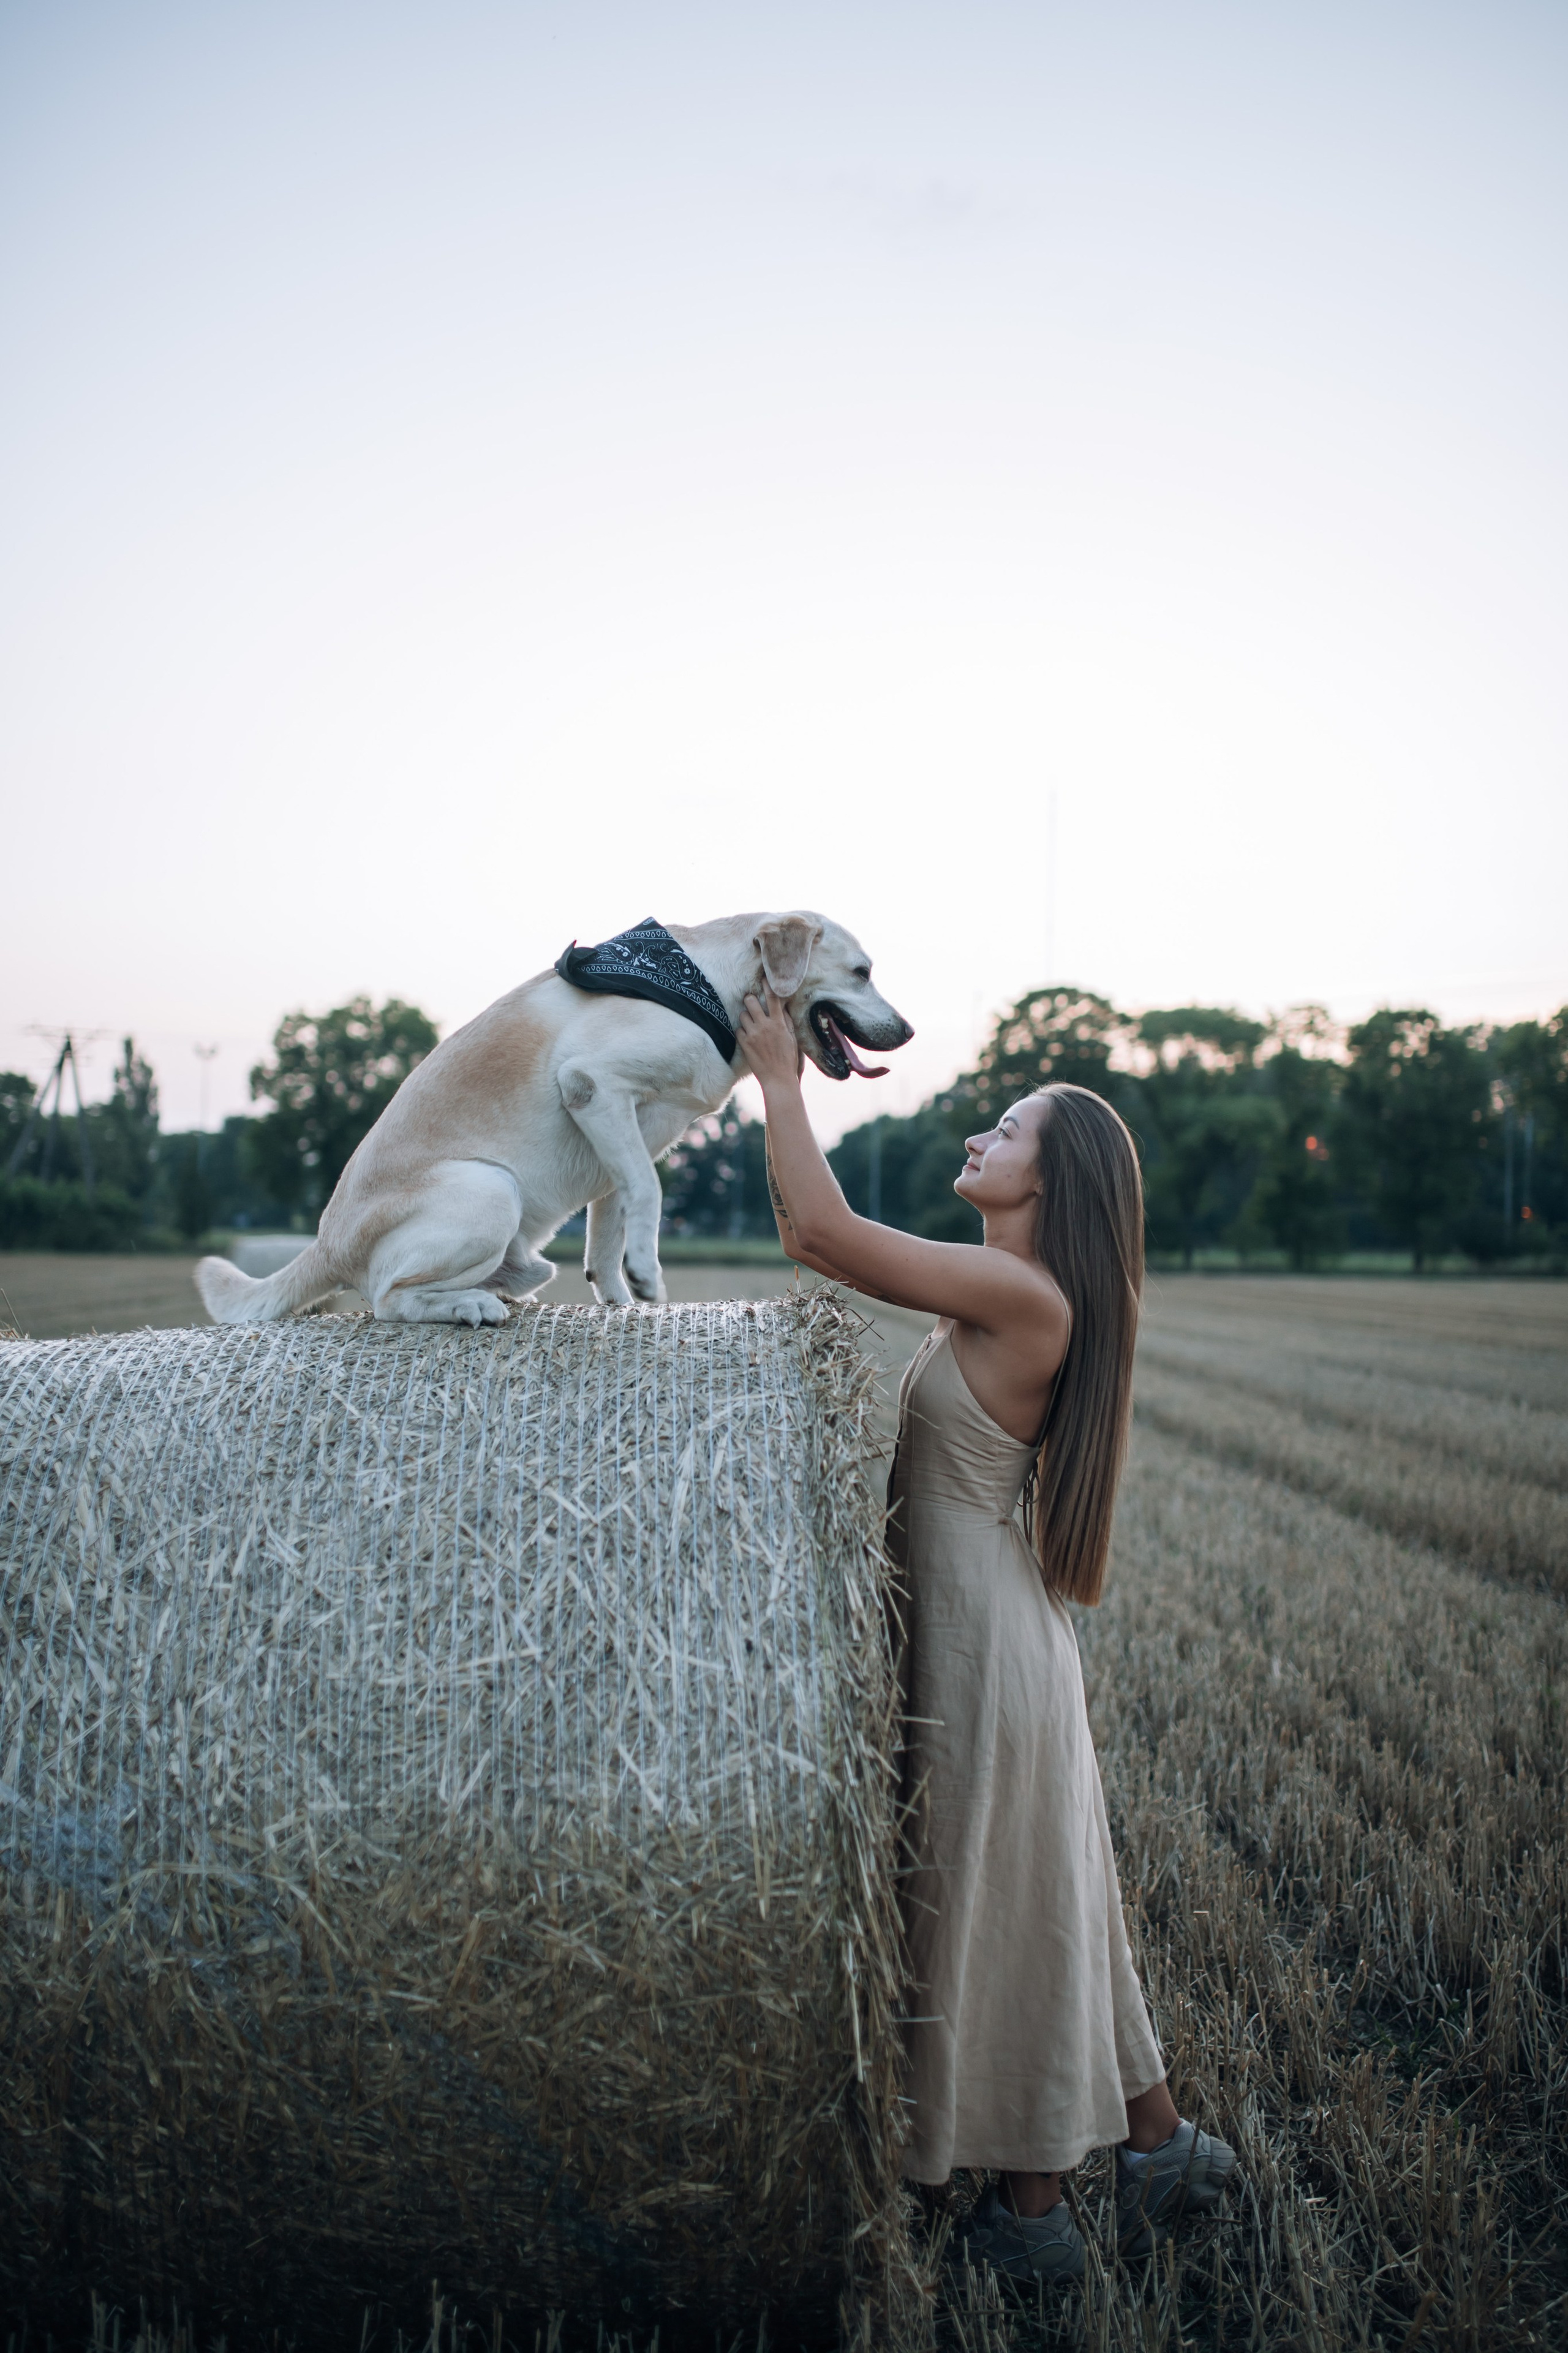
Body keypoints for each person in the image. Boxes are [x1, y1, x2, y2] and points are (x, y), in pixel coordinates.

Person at [737, 986, 1237, 2283]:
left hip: (984, 1659)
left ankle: (1032, 2225)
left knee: (1003, 1909)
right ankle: (1159, 2149)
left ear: (1047, 1180)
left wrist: (777, 1079)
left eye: (1002, 1128)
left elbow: (818, 1233)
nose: (975, 1134)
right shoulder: (1002, 1293)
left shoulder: (1025, 1300)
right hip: (985, 1643)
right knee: (1050, 1900)